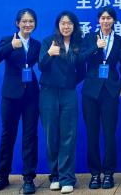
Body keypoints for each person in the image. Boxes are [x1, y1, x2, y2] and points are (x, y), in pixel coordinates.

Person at [0, 8, 41, 194]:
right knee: (8, 135)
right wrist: (11, 46)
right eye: (24, 21)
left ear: (35, 24)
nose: (28, 24)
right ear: (17, 23)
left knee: (30, 136)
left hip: (31, 96)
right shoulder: (7, 40)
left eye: (31, 21)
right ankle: (2, 176)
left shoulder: (37, 44)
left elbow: (43, 64)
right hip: (11, 96)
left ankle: (28, 178)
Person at [39, 11, 85, 194]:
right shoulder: (48, 42)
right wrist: (49, 54)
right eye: (63, 23)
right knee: (51, 135)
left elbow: (82, 71)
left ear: (74, 26)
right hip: (48, 93)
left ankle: (67, 178)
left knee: (68, 135)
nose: (66, 26)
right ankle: (55, 176)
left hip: (68, 94)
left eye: (70, 23)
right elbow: (41, 66)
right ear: (58, 25)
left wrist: (69, 83)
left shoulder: (77, 44)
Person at [81, 6, 121, 189]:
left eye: (109, 18)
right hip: (91, 91)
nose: (106, 21)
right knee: (92, 134)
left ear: (114, 20)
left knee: (109, 133)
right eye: (103, 18)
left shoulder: (119, 40)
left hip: (110, 90)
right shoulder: (89, 38)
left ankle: (108, 173)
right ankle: (94, 174)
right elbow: (80, 58)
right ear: (98, 20)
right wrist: (95, 48)